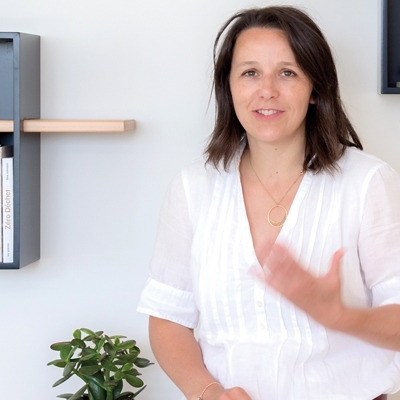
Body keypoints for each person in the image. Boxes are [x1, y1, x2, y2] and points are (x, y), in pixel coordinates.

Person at [137, 6, 400, 400]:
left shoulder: (369, 183)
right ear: (228, 87)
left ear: (316, 89)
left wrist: (340, 316)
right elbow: (168, 318)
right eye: (250, 73)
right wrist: (208, 392)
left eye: (287, 73)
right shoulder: (193, 187)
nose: (267, 91)